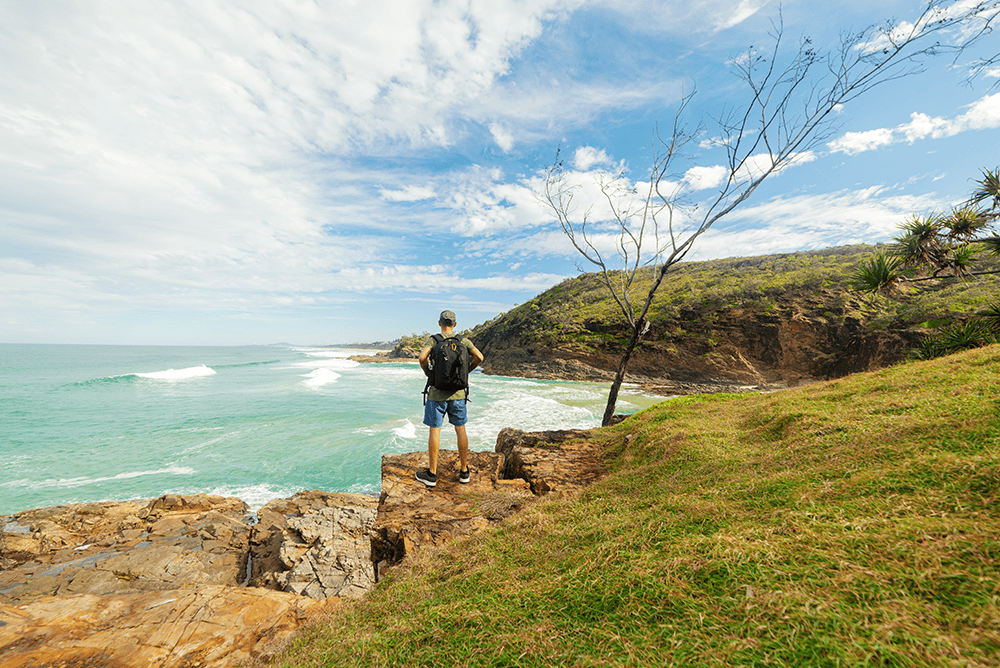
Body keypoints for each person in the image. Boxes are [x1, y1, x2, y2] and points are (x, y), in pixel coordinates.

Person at [415, 310, 484, 488]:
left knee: (435, 430)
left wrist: (429, 373)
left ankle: (431, 474)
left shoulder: (434, 340)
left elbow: (422, 358)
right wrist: (467, 371)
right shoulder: (463, 341)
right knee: (460, 430)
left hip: (437, 393)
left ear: (439, 323)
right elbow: (480, 357)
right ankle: (463, 472)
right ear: (454, 324)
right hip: (459, 394)